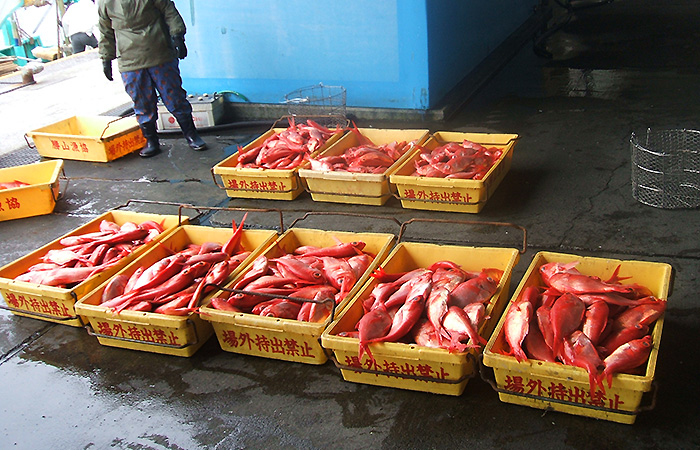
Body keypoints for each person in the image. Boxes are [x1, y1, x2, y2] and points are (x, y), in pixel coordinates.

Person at [97, 0, 207, 158]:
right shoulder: (105, 3)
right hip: (130, 60)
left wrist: (178, 36)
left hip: (160, 53)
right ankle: (151, 141)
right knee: (141, 102)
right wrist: (106, 59)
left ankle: (191, 135)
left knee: (174, 97)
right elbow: (105, 31)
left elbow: (169, 10)